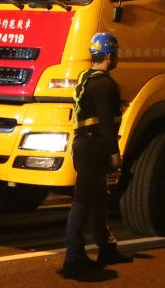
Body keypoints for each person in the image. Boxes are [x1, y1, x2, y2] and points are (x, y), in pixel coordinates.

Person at [63, 32, 130, 277]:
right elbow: (105, 124)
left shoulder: (85, 77)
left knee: (98, 199)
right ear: (110, 55)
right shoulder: (105, 85)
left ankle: (106, 247)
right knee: (83, 201)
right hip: (94, 147)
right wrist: (114, 153)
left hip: (83, 144)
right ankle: (73, 257)